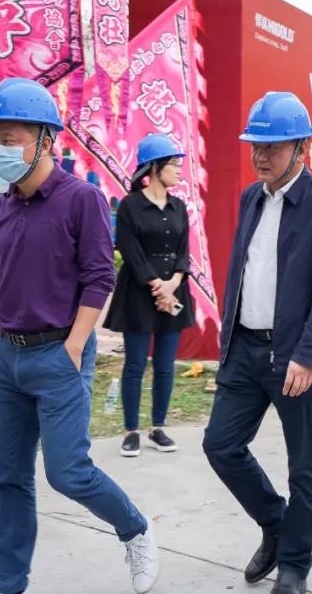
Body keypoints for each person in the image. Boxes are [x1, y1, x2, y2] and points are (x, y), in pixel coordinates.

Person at [0, 77, 159, 594]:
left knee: (68, 472)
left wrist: (74, 346)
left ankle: (135, 529)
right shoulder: (1, 206)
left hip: (59, 354)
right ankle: (10, 584)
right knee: (7, 476)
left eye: (10, 140)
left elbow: (100, 277)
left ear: (46, 141)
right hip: (8, 358)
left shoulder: (82, 199)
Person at [202, 92, 312, 594]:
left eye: (273, 146)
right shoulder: (252, 197)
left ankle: (294, 567)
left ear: (301, 147)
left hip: (295, 356)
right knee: (220, 445)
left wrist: (308, 355)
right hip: (245, 350)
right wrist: (227, 342)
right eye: (256, 146)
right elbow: (243, 272)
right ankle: (276, 522)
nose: (261, 155)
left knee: (304, 465)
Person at [105, 133, 196, 457]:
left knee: (166, 365)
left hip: (174, 292)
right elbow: (129, 250)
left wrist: (173, 284)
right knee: (134, 364)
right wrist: (157, 285)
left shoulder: (179, 206)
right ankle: (131, 431)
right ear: (155, 167)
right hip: (139, 293)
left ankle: (158, 427)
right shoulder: (130, 206)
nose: (179, 170)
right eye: (173, 164)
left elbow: (184, 251)